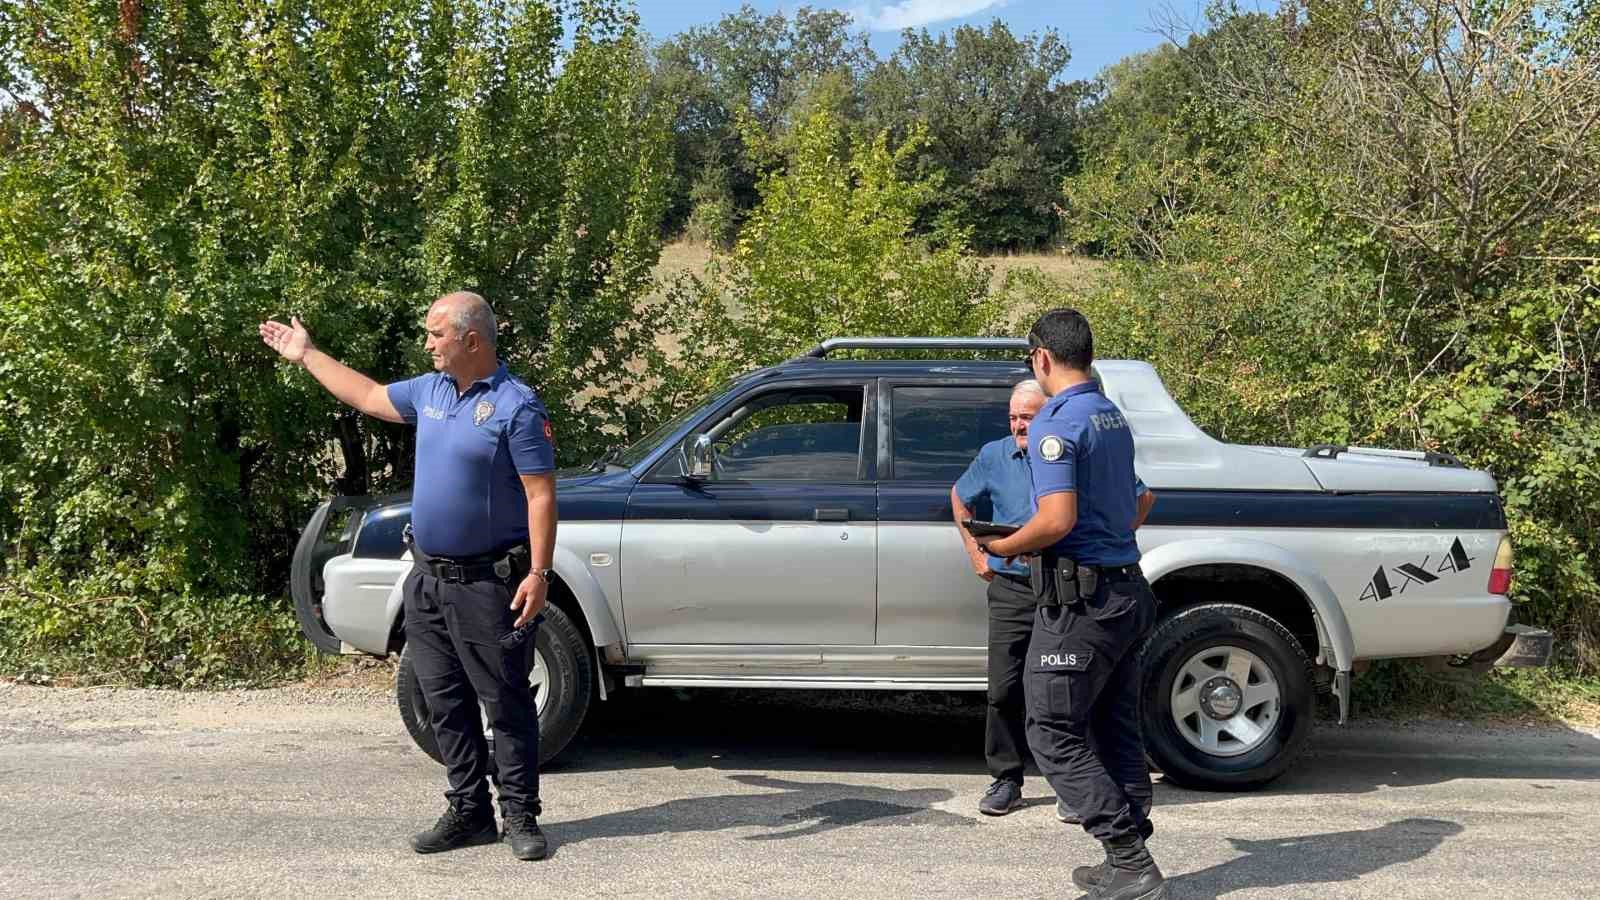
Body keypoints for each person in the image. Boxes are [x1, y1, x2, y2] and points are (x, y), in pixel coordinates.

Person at [260, 292, 557, 862]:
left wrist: (539, 573)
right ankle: (469, 811)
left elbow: (540, 495)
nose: (427, 345)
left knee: (506, 700)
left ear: (472, 340)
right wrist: (307, 355)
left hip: (488, 582)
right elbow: (368, 395)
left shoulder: (517, 407)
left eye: (436, 334)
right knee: (442, 699)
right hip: (426, 579)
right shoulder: (430, 391)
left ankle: (519, 814)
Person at [975, 309, 1163, 900]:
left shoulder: (1057, 421)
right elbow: (1137, 501)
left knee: (1052, 730)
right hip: (1127, 589)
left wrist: (1005, 544)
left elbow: (1056, 520)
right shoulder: (1111, 415)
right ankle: (1127, 857)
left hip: (1084, 603)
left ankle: (1130, 861)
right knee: (1112, 725)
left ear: (1042, 358)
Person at [951, 380, 1053, 817]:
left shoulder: (1066, 452)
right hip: (1012, 586)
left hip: (1064, 586)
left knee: (1061, 690)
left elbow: (1137, 497)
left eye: (1026, 417)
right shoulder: (995, 454)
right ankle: (1006, 780)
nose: (1017, 425)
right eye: (1013, 416)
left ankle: (1072, 783)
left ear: (1048, 415)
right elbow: (959, 497)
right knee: (1004, 688)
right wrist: (976, 553)